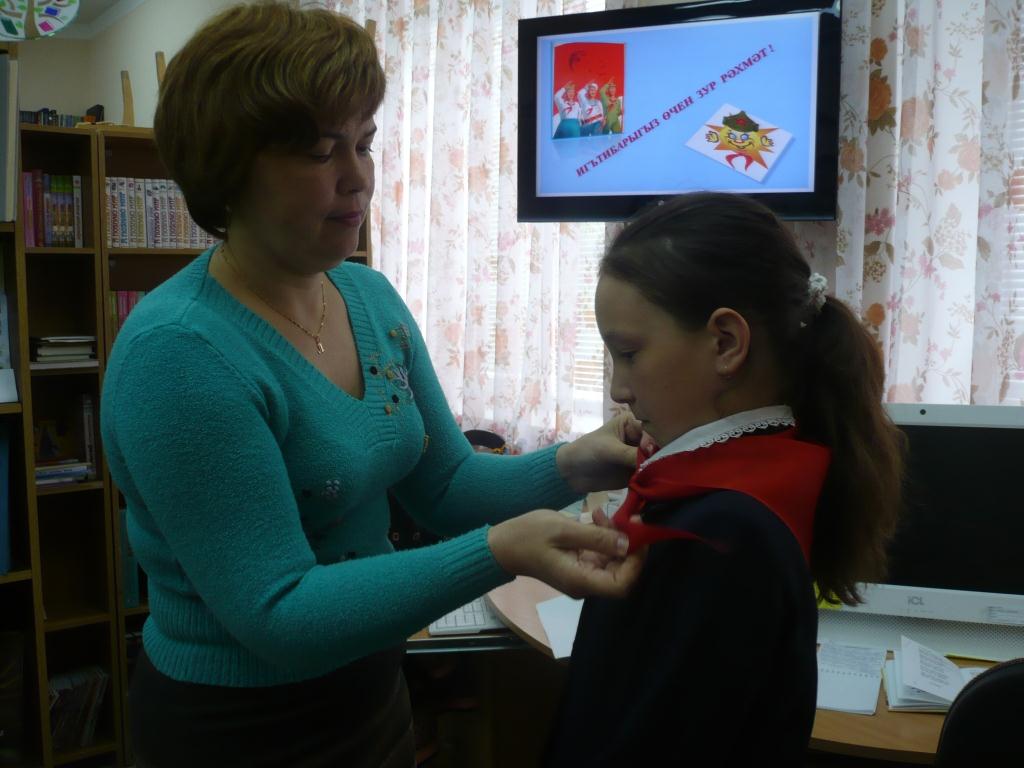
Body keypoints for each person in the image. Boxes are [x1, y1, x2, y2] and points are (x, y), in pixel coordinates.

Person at [99, 5, 645, 767]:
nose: (359, 179)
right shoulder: (181, 354)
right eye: (321, 152)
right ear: (229, 168)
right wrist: (501, 551)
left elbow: (446, 484)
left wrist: (577, 463)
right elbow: (280, 611)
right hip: (239, 728)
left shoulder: (368, 299)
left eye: (364, 143)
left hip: (371, 693)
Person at [544, 192, 905, 766]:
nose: (618, 388)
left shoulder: (721, 529)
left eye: (629, 353)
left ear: (726, 343)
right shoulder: (747, 487)